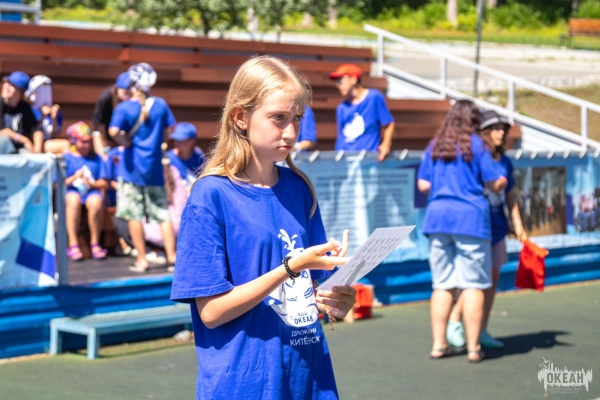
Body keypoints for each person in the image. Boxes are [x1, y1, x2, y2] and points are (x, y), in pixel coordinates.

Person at [170, 55, 357, 399]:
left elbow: (307, 294)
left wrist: (335, 300)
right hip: (245, 383)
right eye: (278, 118)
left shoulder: (299, 188)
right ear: (240, 117)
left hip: (307, 375)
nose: (291, 132)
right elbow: (211, 312)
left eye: (297, 118)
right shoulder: (211, 195)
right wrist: (289, 268)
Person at [417, 100, 507, 363]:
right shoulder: (477, 145)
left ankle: (438, 344)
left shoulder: (435, 145)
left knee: (442, 284)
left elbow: (423, 184)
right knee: (474, 284)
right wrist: (501, 182)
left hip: (438, 220)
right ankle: (473, 347)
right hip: (471, 221)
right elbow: (494, 181)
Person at [446, 110, 527, 350]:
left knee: (491, 280)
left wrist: (518, 226)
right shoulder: (473, 155)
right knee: (473, 279)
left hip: (498, 227)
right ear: (484, 132)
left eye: (503, 128)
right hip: (474, 226)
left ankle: (481, 329)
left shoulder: (505, 161)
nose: (501, 133)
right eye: (495, 128)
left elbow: (509, 195)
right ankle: (454, 321)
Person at [108, 62, 177, 273]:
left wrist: (126, 142)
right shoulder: (161, 105)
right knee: (162, 214)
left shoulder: (125, 108)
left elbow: (113, 131)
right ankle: (172, 257)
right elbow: (171, 128)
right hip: (154, 169)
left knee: (134, 215)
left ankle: (141, 259)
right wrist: (160, 142)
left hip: (131, 170)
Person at [63, 122, 110, 261]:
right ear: (74, 141)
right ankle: (73, 243)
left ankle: (95, 243)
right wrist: (74, 177)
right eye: (83, 142)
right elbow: (58, 184)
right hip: (72, 191)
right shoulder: (66, 158)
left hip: (91, 192)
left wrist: (92, 183)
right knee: (73, 200)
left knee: (96, 201)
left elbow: (104, 182)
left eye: (89, 142)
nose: (86, 145)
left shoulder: (97, 159)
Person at [329, 64, 394, 162]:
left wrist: (386, 144)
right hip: (345, 161)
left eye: (340, 80)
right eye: (337, 81)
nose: (338, 85)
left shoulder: (374, 97)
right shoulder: (341, 108)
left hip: (368, 160)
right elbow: (341, 136)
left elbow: (388, 124)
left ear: (353, 79)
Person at [0, 71, 44, 154]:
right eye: (6, 83)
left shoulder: (24, 107)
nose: (6, 86)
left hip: (18, 150)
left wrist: (37, 150)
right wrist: (24, 140)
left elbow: (36, 130)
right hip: (3, 151)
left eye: (11, 85)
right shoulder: (1, 103)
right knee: (3, 140)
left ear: (21, 91)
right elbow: (2, 132)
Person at [25, 74, 69, 154]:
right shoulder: (28, 110)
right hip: (32, 145)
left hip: (47, 144)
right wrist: (43, 116)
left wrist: (54, 119)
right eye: (41, 91)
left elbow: (55, 136)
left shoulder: (55, 111)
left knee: (65, 145)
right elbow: (32, 132)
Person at [92, 71, 132, 158]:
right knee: (103, 155)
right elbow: (99, 123)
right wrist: (105, 142)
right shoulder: (106, 97)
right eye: (125, 93)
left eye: (129, 93)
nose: (127, 97)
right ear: (117, 88)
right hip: (102, 130)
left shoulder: (132, 99)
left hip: (121, 131)